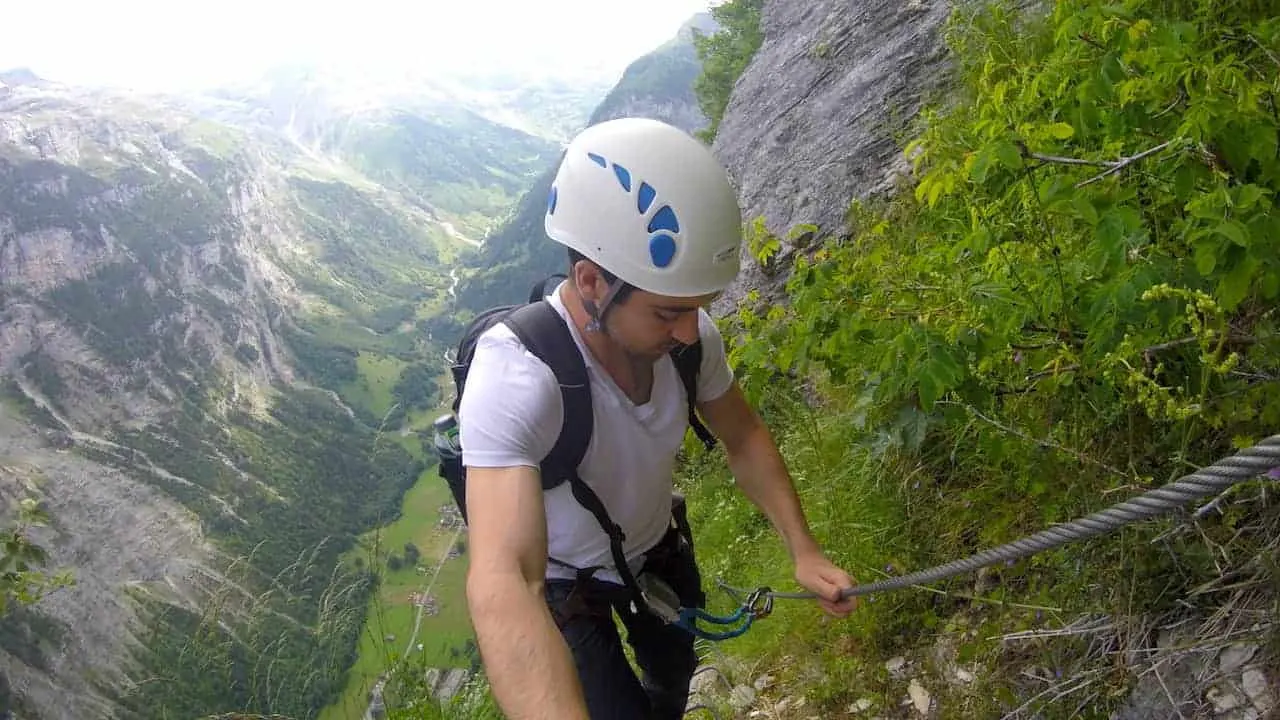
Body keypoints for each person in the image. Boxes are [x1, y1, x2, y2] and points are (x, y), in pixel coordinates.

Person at [458, 117, 857, 720]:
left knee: (674, 678)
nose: (690, 330)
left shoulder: (689, 342)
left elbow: (743, 435)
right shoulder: (517, 376)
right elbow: (505, 581)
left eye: (698, 309)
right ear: (590, 281)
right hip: (569, 584)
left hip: (656, 550)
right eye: (669, 312)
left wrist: (803, 550)